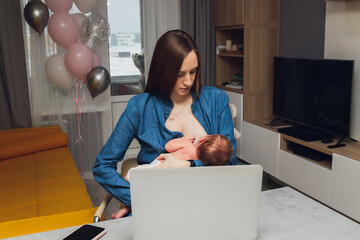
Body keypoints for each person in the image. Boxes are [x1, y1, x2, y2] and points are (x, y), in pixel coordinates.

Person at [93, 29, 238, 218]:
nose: (188, 81)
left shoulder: (215, 100)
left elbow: (230, 163)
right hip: (156, 207)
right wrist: (137, 198)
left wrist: (190, 166)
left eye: (193, 72)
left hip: (206, 202)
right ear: (163, 71)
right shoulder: (140, 107)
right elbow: (103, 165)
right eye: (180, 74)